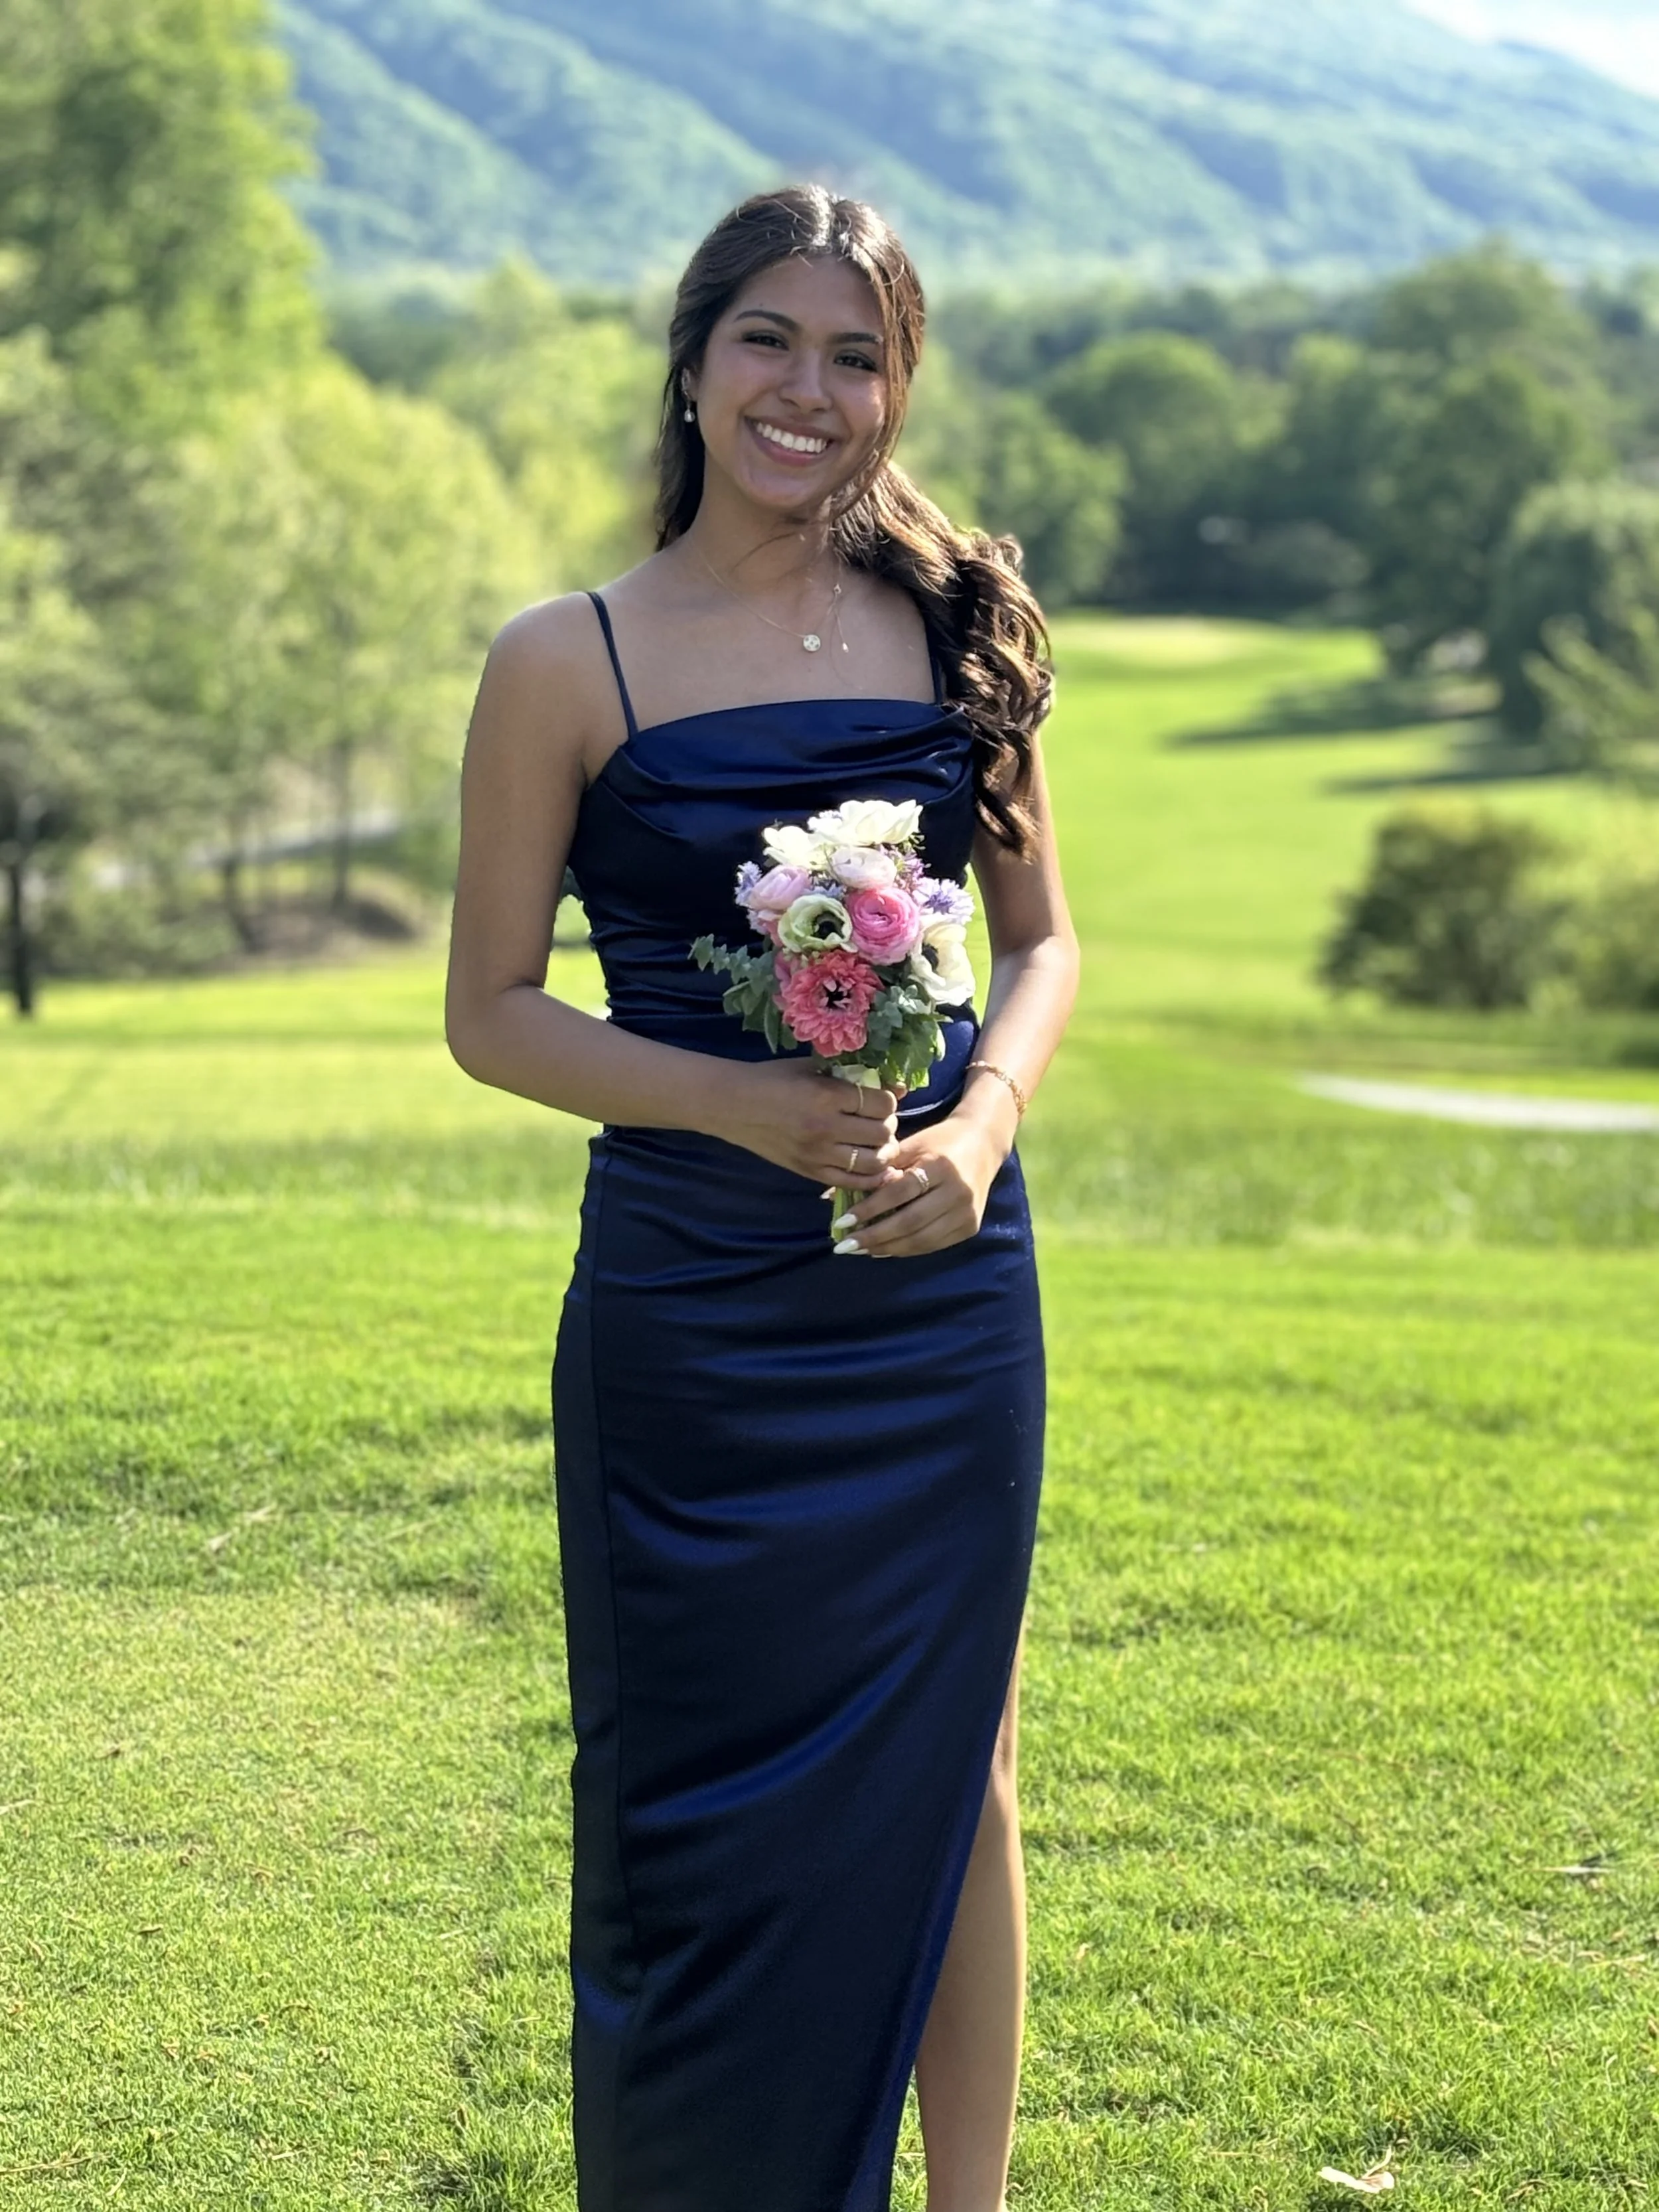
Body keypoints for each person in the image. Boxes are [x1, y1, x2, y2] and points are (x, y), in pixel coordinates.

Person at [445, 183, 1078, 2212]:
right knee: (689, 1787)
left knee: (959, 1759)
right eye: (770, 343)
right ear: (695, 360)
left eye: (857, 354)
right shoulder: (568, 660)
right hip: (691, 1307)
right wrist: (736, 1104)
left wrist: (974, 1133)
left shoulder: (956, 624)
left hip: (938, 1280)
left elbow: (1047, 947)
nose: (810, 391)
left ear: (899, 386)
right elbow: (488, 1014)